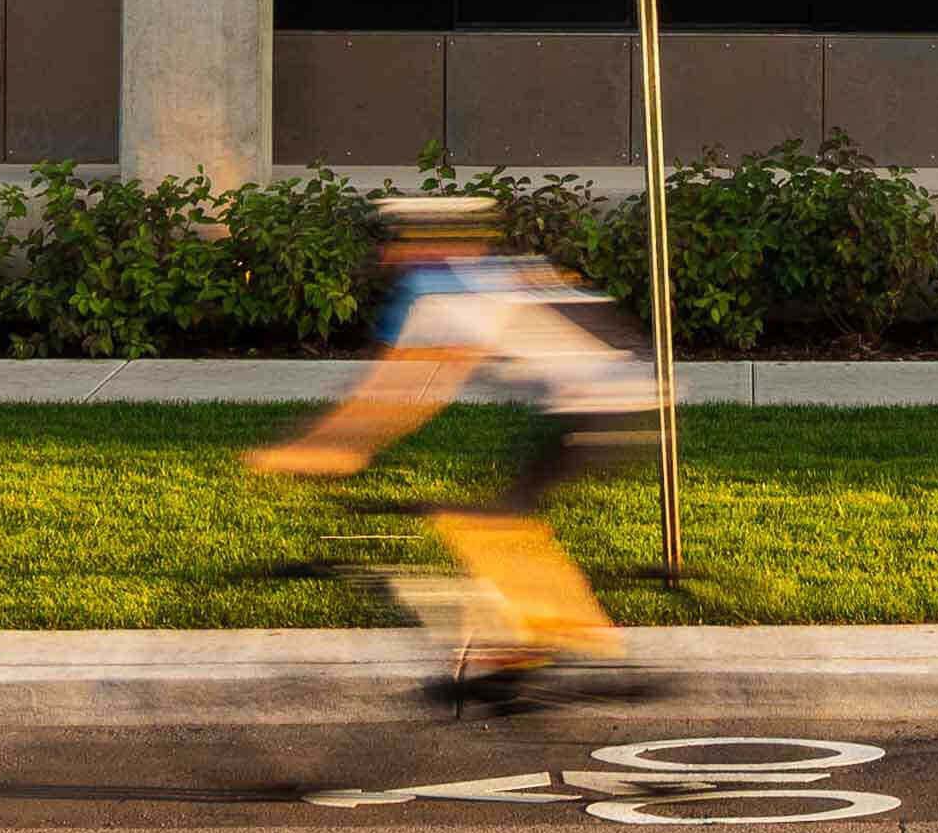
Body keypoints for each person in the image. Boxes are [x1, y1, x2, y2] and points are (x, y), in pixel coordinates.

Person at [247, 195, 667, 707]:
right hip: (603, 398)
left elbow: (402, 392)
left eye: (401, 241)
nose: (388, 254)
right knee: (502, 522)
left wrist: (327, 448)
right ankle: (525, 651)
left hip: (595, 406)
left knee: (494, 525)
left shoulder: (442, 289)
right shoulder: (485, 276)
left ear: (435, 245)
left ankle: (569, 646)